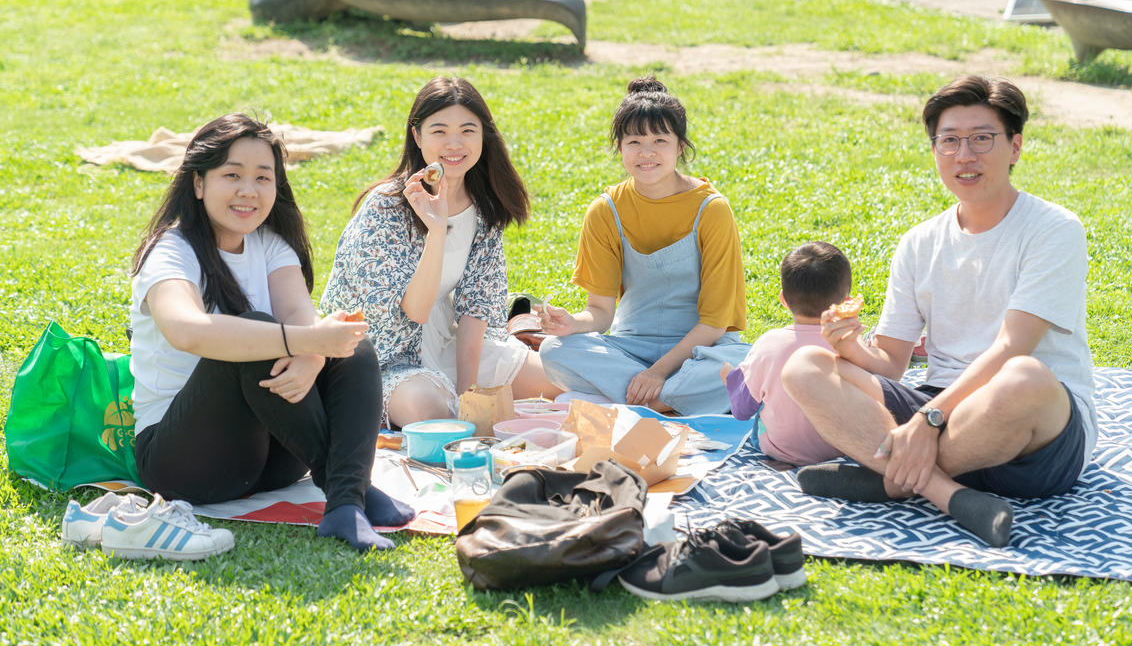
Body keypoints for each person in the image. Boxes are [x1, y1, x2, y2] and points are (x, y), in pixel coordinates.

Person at [781, 76, 1094, 548]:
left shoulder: (1054, 230)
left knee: (1024, 376)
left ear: (1015, 147)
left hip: (1033, 435)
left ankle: (887, 479)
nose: (964, 155)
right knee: (805, 366)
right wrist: (849, 347)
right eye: (949, 141)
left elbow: (1012, 348)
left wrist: (928, 422)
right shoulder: (919, 242)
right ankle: (941, 491)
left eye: (981, 138)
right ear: (935, 151)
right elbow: (891, 363)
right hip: (939, 405)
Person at [130, 114, 411, 553]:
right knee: (260, 335)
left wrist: (317, 352)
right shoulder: (172, 252)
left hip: (271, 461)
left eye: (263, 177)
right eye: (232, 175)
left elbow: (306, 324)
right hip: (184, 461)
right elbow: (187, 330)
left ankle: (345, 501)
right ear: (199, 183)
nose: (249, 190)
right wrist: (307, 343)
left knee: (350, 345)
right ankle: (346, 485)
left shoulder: (271, 245)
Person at [321, 77, 557, 430]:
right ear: (417, 136)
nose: (454, 144)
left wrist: (468, 396)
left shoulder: (483, 207)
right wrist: (435, 228)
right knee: (428, 410)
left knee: (554, 382)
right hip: (381, 354)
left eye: (467, 130)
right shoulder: (385, 208)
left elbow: (476, 309)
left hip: (444, 340)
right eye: (439, 131)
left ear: (483, 135)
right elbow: (414, 310)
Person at [538, 76, 750, 415]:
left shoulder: (712, 209)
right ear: (619, 146)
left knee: (744, 364)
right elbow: (601, 313)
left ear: (680, 146)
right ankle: (671, 401)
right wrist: (573, 324)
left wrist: (657, 373)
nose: (646, 153)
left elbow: (714, 324)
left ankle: (646, 398)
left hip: (702, 349)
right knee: (553, 350)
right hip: (631, 346)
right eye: (634, 141)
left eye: (660, 140)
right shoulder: (605, 210)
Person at [723, 242, 855, 465]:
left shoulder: (769, 343)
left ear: (783, 299)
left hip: (780, 450)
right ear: (846, 302)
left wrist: (729, 379)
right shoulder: (852, 345)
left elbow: (742, 410)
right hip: (843, 451)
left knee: (751, 396)